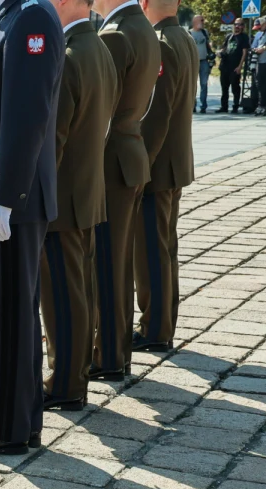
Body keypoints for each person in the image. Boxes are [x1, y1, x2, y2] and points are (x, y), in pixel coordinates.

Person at [0, 0, 65, 454]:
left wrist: (3, 195)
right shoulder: (2, 13)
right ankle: (23, 418)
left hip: (14, 197)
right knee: (13, 310)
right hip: (4, 191)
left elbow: (29, 114)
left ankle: (5, 427)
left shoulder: (31, 16)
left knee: (6, 312)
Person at [41, 0, 117, 411]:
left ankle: (66, 382)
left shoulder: (68, 55)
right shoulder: (99, 48)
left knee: (62, 297)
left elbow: (53, 138)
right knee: (78, 291)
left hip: (62, 198)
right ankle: (74, 374)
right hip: (86, 190)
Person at [91, 0, 159, 380]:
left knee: (107, 264)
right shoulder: (142, 27)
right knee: (118, 262)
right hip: (130, 152)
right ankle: (116, 351)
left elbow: (101, 108)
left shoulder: (115, 35)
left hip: (110, 161)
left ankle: (110, 356)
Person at [132, 0, 196, 352]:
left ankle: (155, 329)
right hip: (176, 162)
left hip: (157, 167)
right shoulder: (183, 37)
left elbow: (157, 116)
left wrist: (142, 167)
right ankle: (164, 321)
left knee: (151, 252)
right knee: (165, 248)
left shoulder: (160, 43)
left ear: (144, 4)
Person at [219, 17, 249, 112]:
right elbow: (224, 48)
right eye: (236, 24)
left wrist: (240, 66)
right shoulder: (229, 36)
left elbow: (244, 52)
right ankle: (224, 107)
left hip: (235, 66)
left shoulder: (244, 37)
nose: (237, 26)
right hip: (225, 66)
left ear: (243, 26)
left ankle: (235, 106)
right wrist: (220, 53)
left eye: (240, 24)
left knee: (235, 87)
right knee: (224, 88)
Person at [190, 15, 213, 112]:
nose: (203, 22)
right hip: (193, 62)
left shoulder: (205, 32)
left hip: (204, 61)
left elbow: (208, 45)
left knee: (204, 84)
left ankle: (203, 106)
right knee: (193, 85)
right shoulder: (189, 33)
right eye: (201, 20)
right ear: (195, 21)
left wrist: (211, 54)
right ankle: (193, 105)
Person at [253, 16, 266, 113]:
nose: (258, 29)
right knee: (260, 85)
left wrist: (263, 49)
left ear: (265, 24)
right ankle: (261, 104)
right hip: (260, 62)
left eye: (260, 26)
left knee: (265, 85)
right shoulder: (261, 33)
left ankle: (264, 106)